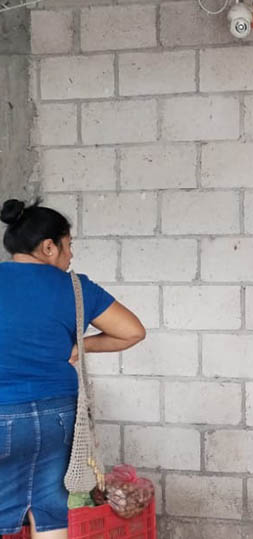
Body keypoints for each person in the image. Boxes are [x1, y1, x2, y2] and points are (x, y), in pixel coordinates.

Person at [0, 199, 146, 539]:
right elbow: (133, 331)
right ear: (48, 247)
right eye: (68, 245)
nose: (71, 255)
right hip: (59, 417)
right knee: (50, 511)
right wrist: (82, 346)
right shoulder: (76, 288)